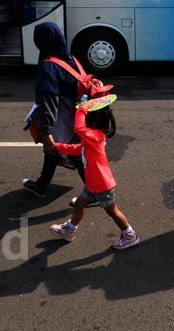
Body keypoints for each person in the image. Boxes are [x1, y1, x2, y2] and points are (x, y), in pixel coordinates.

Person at [49, 102, 139, 250]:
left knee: (112, 211)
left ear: (93, 123)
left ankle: (130, 235)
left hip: (101, 184)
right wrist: (57, 146)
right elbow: (77, 149)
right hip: (93, 182)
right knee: (79, 204)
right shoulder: (92, 138)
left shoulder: (95, 136)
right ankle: (69, 230)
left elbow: (78, 128)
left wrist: (82, 108)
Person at [22, 22, 92, 205]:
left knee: (67, 150)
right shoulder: (71, 59)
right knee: (58, 150)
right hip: (77, 111)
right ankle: (41, 185)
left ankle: (93, 193)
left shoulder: (49, 66)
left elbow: (49, 103)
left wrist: (46, 132)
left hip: (62, 115)